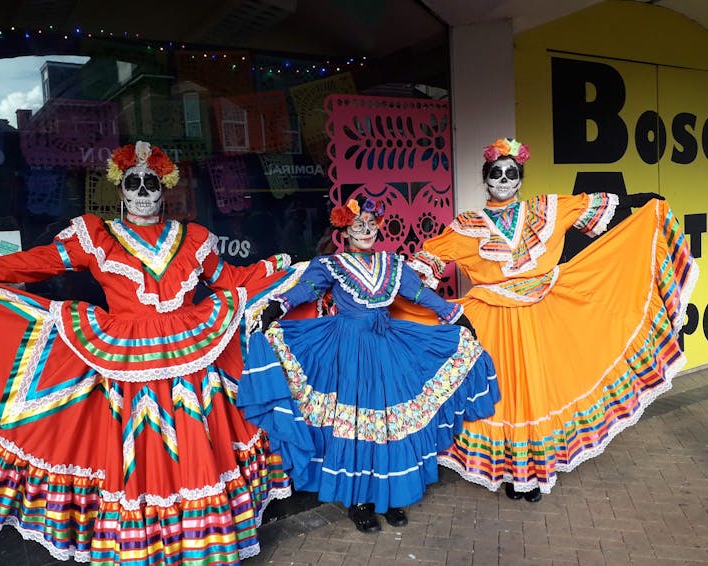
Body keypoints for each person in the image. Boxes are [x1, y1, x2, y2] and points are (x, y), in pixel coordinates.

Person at [0, 141, 299, 564]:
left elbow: (230, 279)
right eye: (132, 182)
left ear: (163, 187)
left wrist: (279, 268)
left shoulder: (194, 238)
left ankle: (200, 541)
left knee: (198, 442)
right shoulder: (99, 237)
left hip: (193, 351)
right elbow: (39, 261)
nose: (140, 190)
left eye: (149, 181)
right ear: (120, 190)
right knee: (131, 447)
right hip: (124, 356)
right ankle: (146, 544)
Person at [413, 137, 698, 502]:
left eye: (510, 174)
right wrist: (388, 281)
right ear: (486, 179)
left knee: (541, 392)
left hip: (544, 311)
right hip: (493, 320)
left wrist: (641, 201)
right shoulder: (467, 225)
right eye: (496, 174)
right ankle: (513, 473)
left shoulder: (546, 208)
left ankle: (535, 473)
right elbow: (429, 259)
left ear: (519, 180)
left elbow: (593, 205)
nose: (503, 180)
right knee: (504, 395)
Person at [236, 195, 501, 533]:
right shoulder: (331, 265)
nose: (365, 229)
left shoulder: (392, 264)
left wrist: (455, 315)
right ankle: (359, 501)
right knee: (359, 425)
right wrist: (276, 307)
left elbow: (418, 294)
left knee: (390, 423)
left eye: (371, 224)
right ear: (343, 230)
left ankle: (388, 498)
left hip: (387, 346)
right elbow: (306, 290)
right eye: (357, 224)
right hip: (348, 350)